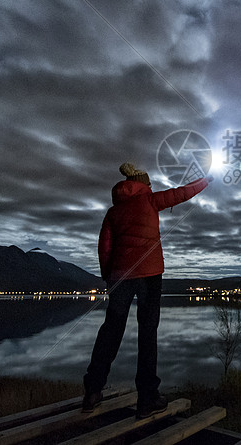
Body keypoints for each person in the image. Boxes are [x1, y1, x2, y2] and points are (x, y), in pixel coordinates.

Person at [83, 162, 211, 417]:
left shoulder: (113, 212)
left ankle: (92, 392)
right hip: (150, 274)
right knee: (148, 332)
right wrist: (206, 180)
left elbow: (105, 247)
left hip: (119, 275)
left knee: (111, 329)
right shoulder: (151, 200)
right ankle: (147, 399)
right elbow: (182, 193)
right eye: (149, 184)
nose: (151, 187)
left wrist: (109, 276)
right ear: (143, 184)